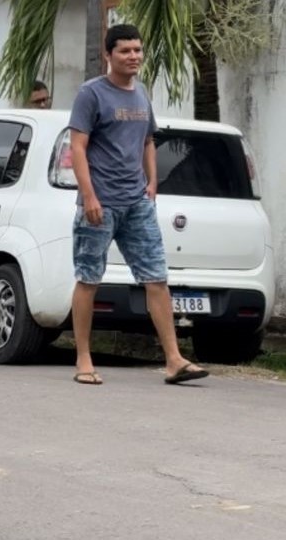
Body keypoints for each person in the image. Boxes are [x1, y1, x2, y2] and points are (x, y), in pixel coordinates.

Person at [68, 23, 208, 386]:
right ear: (109, 55)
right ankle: (84, 359)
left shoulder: (141, 94)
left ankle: (175, 360)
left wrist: (152, 180)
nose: (134, 57)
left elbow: (147, 140)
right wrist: (89, 196)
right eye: (125, 51)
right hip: (99, 205)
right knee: (88, 279)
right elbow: (78, 148)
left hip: (136, 203)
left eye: (137, 50)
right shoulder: (91, 94)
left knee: (157, 278)